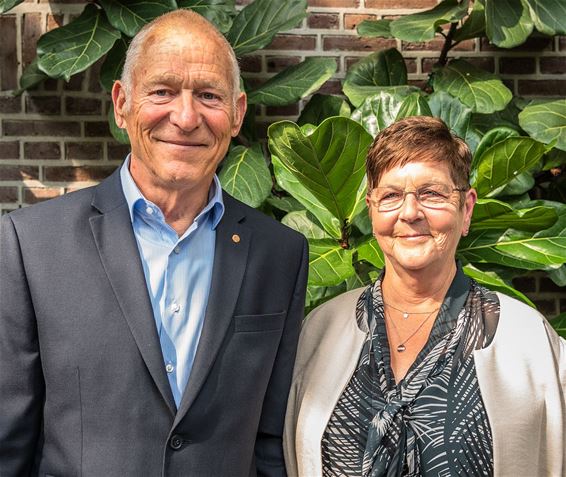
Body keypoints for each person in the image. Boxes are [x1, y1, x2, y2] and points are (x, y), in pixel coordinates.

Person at [0, 10, 308, 476]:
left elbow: (268, 440)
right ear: (122, 103)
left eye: (208, 96)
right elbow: (10, 440)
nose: (185, 118)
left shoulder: (280, 254)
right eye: (162, 91)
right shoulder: (32, 245)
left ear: (237, 113)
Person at [284, 116, 566, 477]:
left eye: (431, 193)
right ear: (371, 210)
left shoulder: (527, 341)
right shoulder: (320, 331)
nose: (410, 212)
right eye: (390, 196)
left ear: (466, 209)